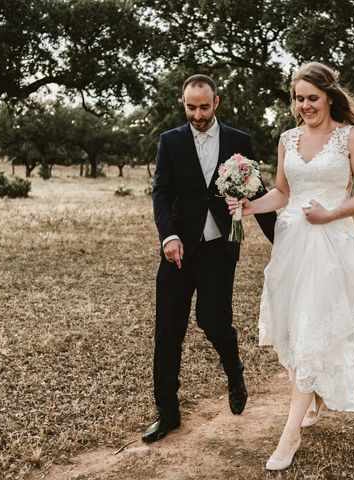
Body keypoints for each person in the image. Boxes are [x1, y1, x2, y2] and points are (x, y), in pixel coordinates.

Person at [227, 62, 354, 470]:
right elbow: (281, 192)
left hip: (330, 244)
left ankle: (289, 433)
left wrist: (330, 213)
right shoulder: (287, 139)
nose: (305, 105)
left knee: (314, 324)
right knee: (295, 326)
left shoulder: (351, 137)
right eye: (299, 98)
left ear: (329, 96)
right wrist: (248, 207)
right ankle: (310, 396)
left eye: (313, 97)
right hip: (291, 244)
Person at [143, 74, 277, 443]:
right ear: (183, 104)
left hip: (220, 248)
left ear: (216, 102)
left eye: (204, 107)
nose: (197, 114)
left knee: (214, 322)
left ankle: (234, 370)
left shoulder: (239, 141)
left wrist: (281, 240)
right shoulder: (169, 142)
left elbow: (257, 192)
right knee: (168, 330)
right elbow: (161, 193)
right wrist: (168, 236)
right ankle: (167, 413)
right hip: (178, 251)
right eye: (191, 107)